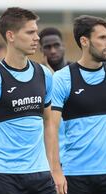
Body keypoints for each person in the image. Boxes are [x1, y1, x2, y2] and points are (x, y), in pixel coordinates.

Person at [0, 7, 66, 194]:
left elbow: (49, 123)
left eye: (36, 31)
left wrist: (53, 168)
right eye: (30, 32)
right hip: (4, 177)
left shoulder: (45, 75)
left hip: (41, 176)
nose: (37, 38)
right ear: (11, 36)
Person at [51, 15, 106, 194]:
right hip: (75, 176)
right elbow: (51, 128)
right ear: (84, 41)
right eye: (102, 38)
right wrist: (56, 171)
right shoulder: (62, 79)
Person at [39, 27, 71, 162]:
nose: (53, 51)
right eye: (47, 47)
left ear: (63, 46)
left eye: (56, 45)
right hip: (49, 154)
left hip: (74, 153)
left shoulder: (75, 72)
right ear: (41, 50)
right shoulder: (36, 76)